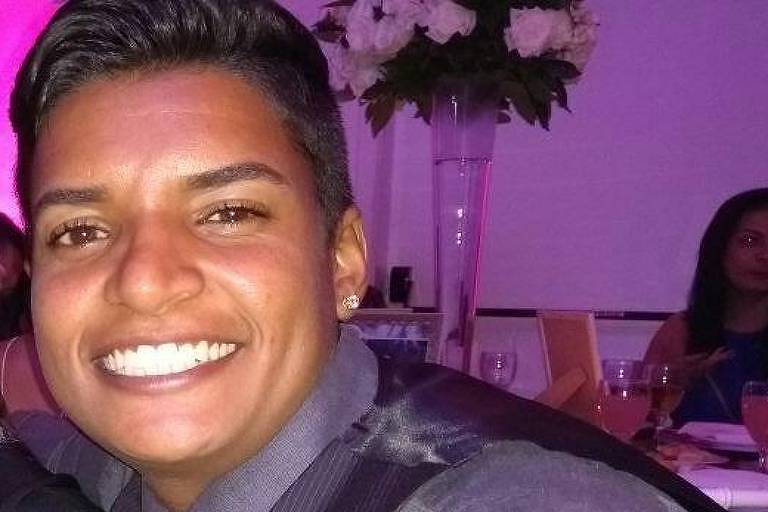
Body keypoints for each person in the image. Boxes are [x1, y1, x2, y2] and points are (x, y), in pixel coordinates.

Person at [5, 0, 723, 510]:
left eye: (228, 213)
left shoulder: (506, 498)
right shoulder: (114, 470)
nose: (143, 279)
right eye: (80, 231)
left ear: (343, 260)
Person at [645, 188, 768, 425]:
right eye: (750, 241)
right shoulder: (680, 330)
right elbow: (636, 430)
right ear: (719, 249)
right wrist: (673, 380)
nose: (765, 256)